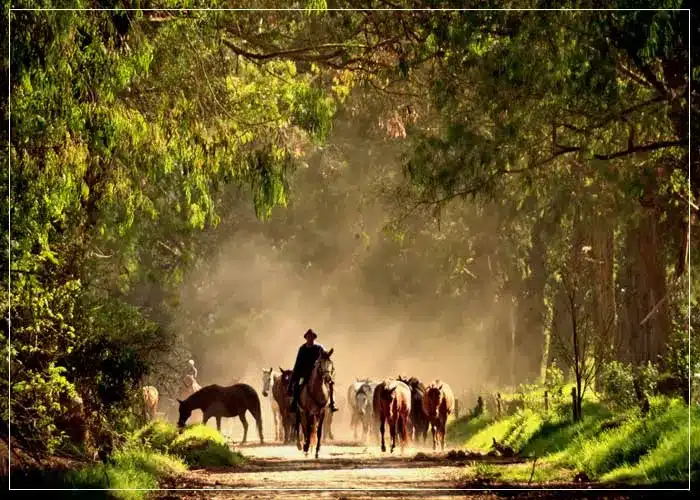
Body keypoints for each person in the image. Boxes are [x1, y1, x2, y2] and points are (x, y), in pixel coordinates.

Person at [287, 328, 339, 414]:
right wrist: (295, 374)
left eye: (311, 337)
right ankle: (294, 404)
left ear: (314, 338)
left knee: (330, 384)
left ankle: (332, 404)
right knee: (298, 385)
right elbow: (298, 363)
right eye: (308, 337)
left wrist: (328, 354)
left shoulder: (319, 348)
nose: (310, 339)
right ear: (306, 338)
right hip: (304, 374)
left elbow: (325, 357)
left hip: (319, 373)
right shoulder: (302, 349)